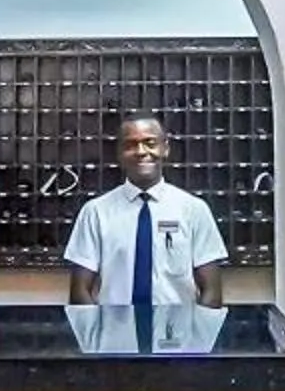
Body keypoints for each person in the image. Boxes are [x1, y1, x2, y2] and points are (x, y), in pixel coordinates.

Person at [64, 115, 227, 307]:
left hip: (176, 334)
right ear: (119, 153)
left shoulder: (194, 210)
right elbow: (79, 291)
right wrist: (98, 335)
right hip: (115, 332)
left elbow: (212, 291)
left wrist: (196, 335)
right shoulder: (95, 213)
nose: (141, 151)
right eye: (131, 145)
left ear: (165, 148)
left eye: (150, 143)